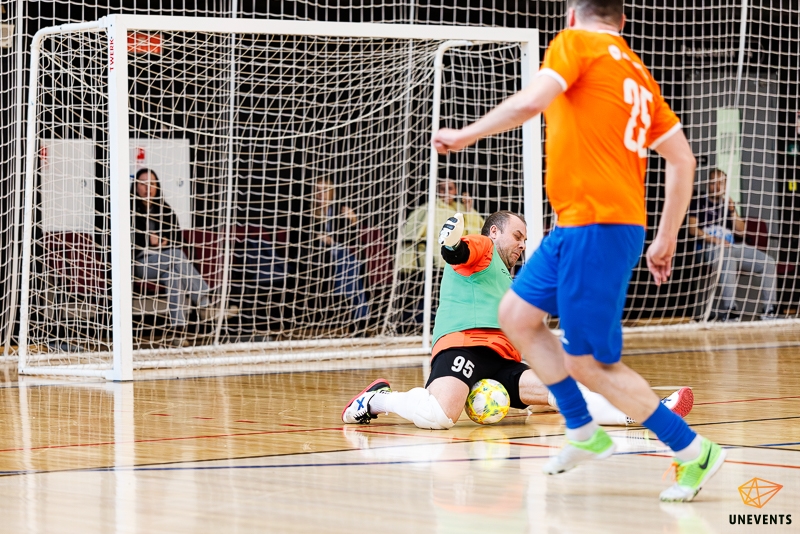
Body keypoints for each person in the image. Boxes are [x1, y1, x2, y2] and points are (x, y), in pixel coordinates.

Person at [431, 0, 722, 502]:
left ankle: (694, 450)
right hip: (576, 226)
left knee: (590, 364)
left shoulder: (576, 43)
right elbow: (683, 159)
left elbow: (530, 103)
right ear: (622, 20)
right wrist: (666, 235)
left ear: (571, 15)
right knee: (517, 315)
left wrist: (465, 134)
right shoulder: (637, 71)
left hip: (600, 228)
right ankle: (584, 430)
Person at [342, 212, 694, 429]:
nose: (522, 244)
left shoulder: (507, 280)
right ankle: (377, 400)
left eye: (525, 239)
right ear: (495, 233)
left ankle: (646, 412)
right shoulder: (483, 248)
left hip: (503, 360)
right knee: (439, 416)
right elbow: (457, 252)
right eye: (518, 236)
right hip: (465, 346)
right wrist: (449, 242)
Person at [687, 168, 777, 320]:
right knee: (728, 260)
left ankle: (769, 312)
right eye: (714, 183)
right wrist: (716, 240)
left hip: (731, 245)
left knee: (768, 262)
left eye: (721, 183)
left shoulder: (727, 204)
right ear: (708, 184)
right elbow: (692, 229)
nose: (717, 187)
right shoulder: (698, 202)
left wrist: (732, 211)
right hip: (710, 247)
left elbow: (741, 232)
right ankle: (731, 311)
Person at [131, 168, 212, 334]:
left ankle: (178, 329)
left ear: (157, 186)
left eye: (152, 184)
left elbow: (179, 239)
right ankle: (204, 301)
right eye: (143, 184)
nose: (148, 188)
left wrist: (165, 241)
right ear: (136, 187)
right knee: (177, 255)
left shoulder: (165, 209)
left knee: (173, 275)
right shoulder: (129, 210)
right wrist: (147, 240)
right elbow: (126, 241)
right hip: (140, 264)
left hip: (165, 261)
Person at [398, 179, 485, 272]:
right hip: (435, 258)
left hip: (460, 255)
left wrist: (469, 210)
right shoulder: (429, 208)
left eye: (450, 188)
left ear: (456, 190)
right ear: (437, 190)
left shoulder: (462, 208)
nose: (446, 192)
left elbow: (476, 233)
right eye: (443, 189)